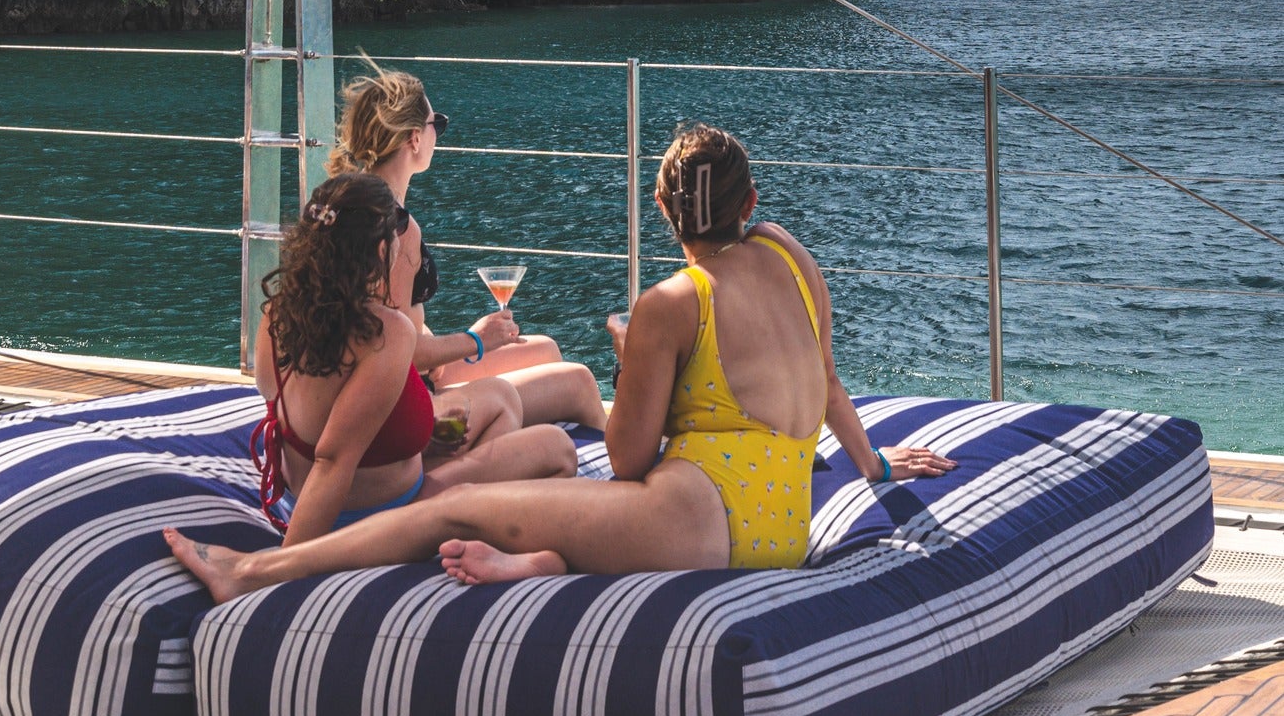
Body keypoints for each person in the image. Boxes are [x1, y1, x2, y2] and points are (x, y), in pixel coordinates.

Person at [168, 123, 956, 590]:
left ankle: (254, 576)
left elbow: (624, 458)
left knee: (447, 510)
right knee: (544, 473)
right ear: (751, 206)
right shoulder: (788, 253)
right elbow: (824, 377)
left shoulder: (671, 304)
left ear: (659, 208)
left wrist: (633, 361)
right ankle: (540, 560)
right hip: (783, 522)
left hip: (693, 522)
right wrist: (876, 467)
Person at [247, 171, 577, 544]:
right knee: (556, 447)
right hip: (373, 514)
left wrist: (416, 436)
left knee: (500, 396)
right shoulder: (384, 331)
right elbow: (333, 460)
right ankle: (464, 518)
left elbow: (283, 397)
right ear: (381, 250)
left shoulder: (277, 311)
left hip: (299, 490)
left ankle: (473, 510)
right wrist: (284, 567)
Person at [328, 63, 607, 431]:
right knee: (581, 382)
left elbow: (376, 316)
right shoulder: (396, 228)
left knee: (545, 350)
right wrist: (477, 339)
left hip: (383, 374)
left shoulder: (346, 201)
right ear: (414, 138)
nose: (437, 135)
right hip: (401, 397)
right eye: (436, 125)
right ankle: (613, 474)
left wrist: (435, 338)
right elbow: (395, 350)